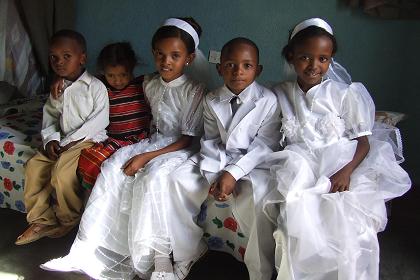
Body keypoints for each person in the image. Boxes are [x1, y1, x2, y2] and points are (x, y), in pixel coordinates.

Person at [41, 17, 206, 280]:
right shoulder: (148, 83)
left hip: (181, 148)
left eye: (175, 55)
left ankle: (161, 259)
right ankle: (90, 250)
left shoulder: (195, 90)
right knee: (112, 168)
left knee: (153, 178)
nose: (166, 62)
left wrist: (145, 157)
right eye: (161, 55)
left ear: (188, 58)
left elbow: (186, 140)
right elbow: (107, 82)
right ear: (153, 54)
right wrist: (62, 84)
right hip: (152, 140)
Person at [263, 18, 412, 280]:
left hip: (343, 160)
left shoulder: (345, 94)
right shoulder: (279, 93)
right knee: (297, 211)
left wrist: (346, 172)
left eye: (323, 59)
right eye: (305, 57)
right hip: (300, 163)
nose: (314, 65)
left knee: (346, 219)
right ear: (291, 56)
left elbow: (363, 142)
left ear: (331, 60)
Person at [169, 37, 281, 280]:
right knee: (178, 179)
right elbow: (210, 140)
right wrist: (218, 173)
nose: (238, 72)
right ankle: (187, 251)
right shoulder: (211, 99)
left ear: (258, 70)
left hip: (255, 163)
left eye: (247, 66)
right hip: (217, 160)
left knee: (258, 197)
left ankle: (258, 270)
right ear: (219, 68)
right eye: (230, 64)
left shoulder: (269, 100)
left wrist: (233, 172)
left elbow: (265, 145)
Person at [15, 29, 109, 245]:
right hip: (63, 140)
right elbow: (50, 115)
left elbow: (99, 121)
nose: (59, 62)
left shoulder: (95, 87)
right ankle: (42, 220)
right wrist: (51, 140)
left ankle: (69, 218)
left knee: (62, 171)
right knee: (34, 165)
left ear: (82, 58)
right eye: (54, 57)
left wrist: (68, 143)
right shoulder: (58, 87)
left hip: (87, 139)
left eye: (67, 56)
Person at [77, 42, 151, 190]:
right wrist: (59, 80)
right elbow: (78, 83)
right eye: (111, 75)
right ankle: (92, 198)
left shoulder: (142, 84)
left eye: (123, 75)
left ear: (132, 69)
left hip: (140, 139)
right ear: (103, 72)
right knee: (89, 161)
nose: (117, 81)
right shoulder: (100, 87)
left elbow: (164, 80)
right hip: (113, 139)